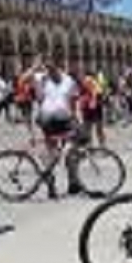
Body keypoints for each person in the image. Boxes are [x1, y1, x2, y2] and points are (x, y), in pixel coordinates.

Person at [27, 60, 81, 197]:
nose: (50, 72)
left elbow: (74, 100)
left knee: (71, 151)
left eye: (52, 69)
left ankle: (73, 182)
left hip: (65, 120)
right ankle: (51, 185)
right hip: (47, 121)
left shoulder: (68, 81)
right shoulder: (42, 79)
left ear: (59, 68)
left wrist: (75, 118)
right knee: (51, 153)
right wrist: (34, 68)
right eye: (47, 69)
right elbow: (25, 78)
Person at [78, 69, 106, 146]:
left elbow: (96, 92)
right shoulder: (92, 81)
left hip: (92, 107)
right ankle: (99, 144)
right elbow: (98, 92)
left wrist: (93, 100)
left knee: (91, 127)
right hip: (90, 107)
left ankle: (95, 144)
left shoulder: (89, 80)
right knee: (95, 128)